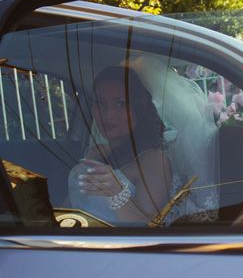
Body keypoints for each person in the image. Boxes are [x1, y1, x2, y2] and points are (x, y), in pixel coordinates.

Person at [67, 65, 173, 225]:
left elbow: (147, 227)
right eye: (100, 103)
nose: (107, 115)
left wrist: (116, 192)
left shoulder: (154, 161)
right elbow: (70, 206)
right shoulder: (96, 152)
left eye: (120, 104)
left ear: (138, 106)